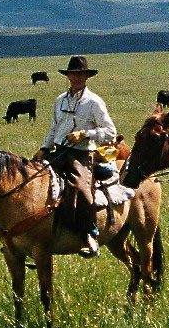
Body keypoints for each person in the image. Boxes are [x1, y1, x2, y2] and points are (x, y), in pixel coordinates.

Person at [37, 56, 117, 257]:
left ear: (87, 76)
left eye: (81, 74)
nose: (77, 77)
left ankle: (90, 234)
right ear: (68, 76)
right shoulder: (60, 100)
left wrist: (85, 134)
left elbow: (110, 132)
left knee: (81, 189)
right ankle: (37, 236)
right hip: (59, 152)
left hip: (82, 155)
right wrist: (44, 149)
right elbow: (54, 128)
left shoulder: (94, 102)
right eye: (73, 74)